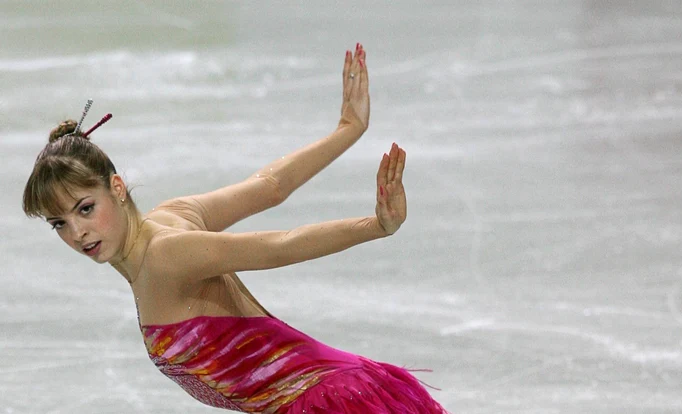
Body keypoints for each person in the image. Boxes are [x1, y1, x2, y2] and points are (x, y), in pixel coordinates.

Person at [22, 44, 448, 413]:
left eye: (85, 208)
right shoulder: (170, 218)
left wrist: (375, 226)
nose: (77, 232)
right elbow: (269, 186)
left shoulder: (166, 255)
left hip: (329, 403)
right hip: (331, 393)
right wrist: (348, 129)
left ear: (116, 187)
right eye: (60, 222)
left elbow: (279, 246)